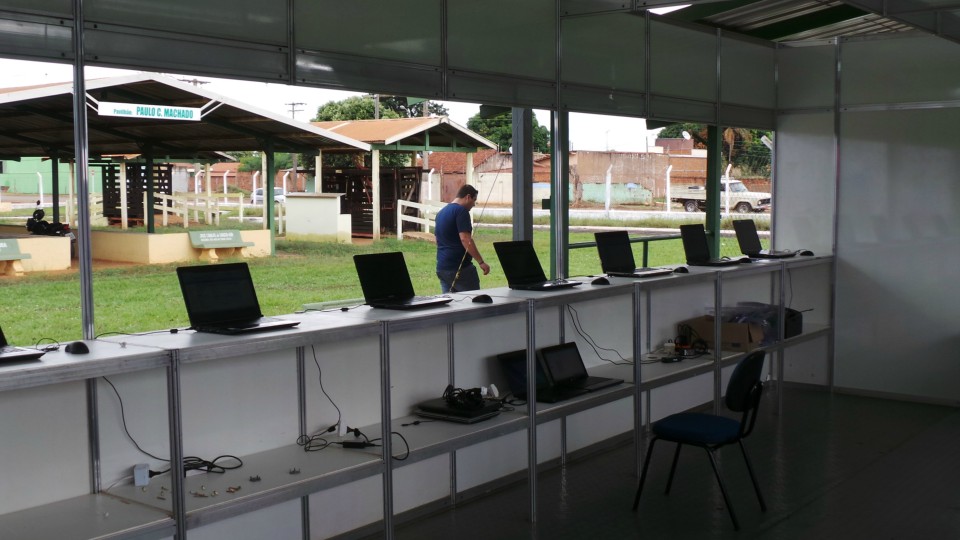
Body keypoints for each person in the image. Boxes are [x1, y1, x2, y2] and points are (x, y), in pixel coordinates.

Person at [435, 184, 490, 293]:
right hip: (460, 268)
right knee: (473, 302)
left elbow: (437, 239)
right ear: (468, 197)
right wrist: (481, 262)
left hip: (442, 267)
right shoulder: (461, 212)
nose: (474, 204)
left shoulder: (441, 213)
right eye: (474, 200)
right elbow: (465, 239)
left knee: (450, 305)